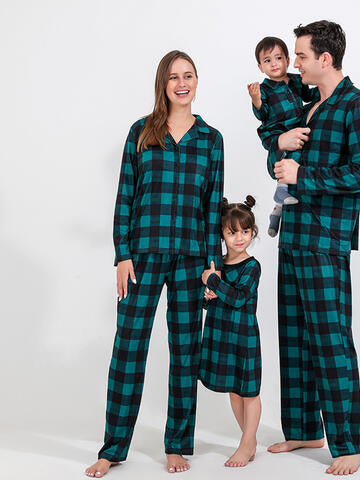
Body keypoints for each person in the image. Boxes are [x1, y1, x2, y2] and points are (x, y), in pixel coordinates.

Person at [85, 50, 224, 477]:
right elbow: (125, 196)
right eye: (173, 77)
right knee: (128, 350)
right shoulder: (141, 131)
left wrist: (213, 265)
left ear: (196, 82)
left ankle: (177, 445)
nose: (182, 83)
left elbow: (212, 207)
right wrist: (122, 254)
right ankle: (113, 448)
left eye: (188, 76)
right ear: (163, 83)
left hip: (191, 260)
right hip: (142, 256)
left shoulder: (211, 139)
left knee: (185, 352)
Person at [264, 21, 360, 475]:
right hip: (293, 236)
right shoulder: (307, 106)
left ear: (325, 58)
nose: (293, 63)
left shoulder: (357, 105)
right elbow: (281, 161)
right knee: (294, 337)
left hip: (325, 240)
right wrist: (279, 149)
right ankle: (303, 430)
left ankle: (349, 444)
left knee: (331, 342)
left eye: (300, 55)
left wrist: (303, 176)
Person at [199, 196, 262, 468]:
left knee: (249, 392)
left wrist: (213, 281)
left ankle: (246, 444)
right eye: (232, 232)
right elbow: (209, 301)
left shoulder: (252, 266)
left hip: (243, 336)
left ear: (252, 232)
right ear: (222, 235)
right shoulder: (218, 265)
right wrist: (208, 294)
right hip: (222, 335)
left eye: (245, 232)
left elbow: (239, 298)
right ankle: (249, 439)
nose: (239, 238)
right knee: (234, 391)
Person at [247, 36, 318, 237]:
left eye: (278, 58)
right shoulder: (264, 89)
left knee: (297, 160)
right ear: (260, 67)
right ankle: (281, 190)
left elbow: (309, 95)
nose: (274, 64)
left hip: (295, 126)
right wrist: (256, 100)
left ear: (287, 60)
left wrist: (326, 89)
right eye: (267, 60)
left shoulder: (296, 80)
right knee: (290, 157)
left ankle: (276, 212)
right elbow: (262, 114)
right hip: (276, 130)